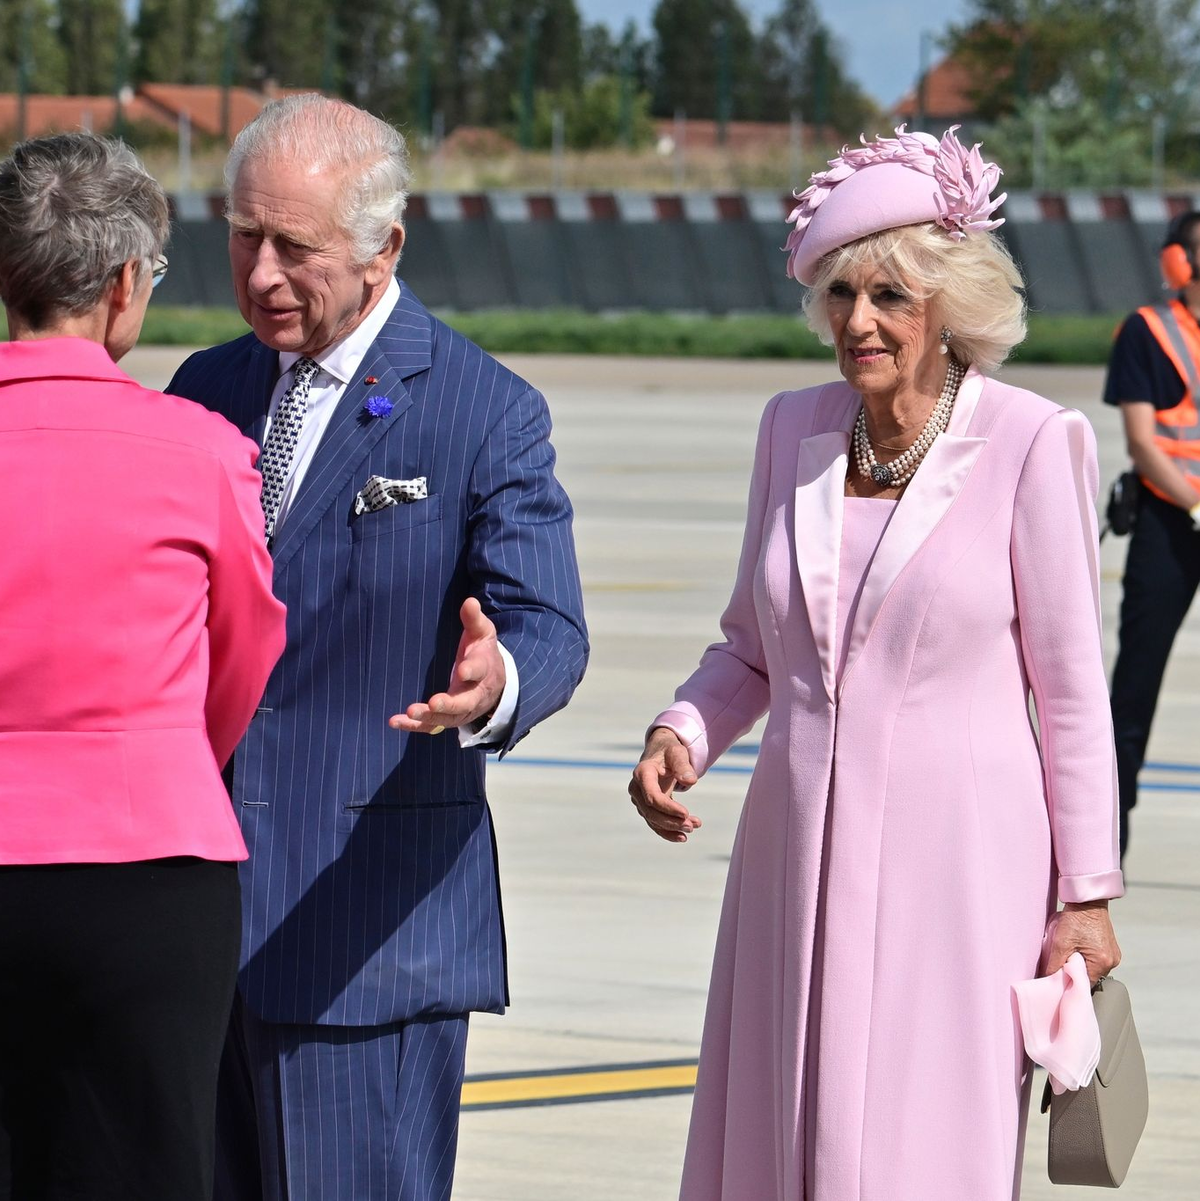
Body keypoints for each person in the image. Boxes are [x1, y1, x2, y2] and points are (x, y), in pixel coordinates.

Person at [628, 127, 1123, 1200]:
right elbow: (753, 647)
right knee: (781, 1119)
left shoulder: (1036, 442)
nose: (859, 321)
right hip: (792, 846)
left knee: (918, 1132)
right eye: (843, 294)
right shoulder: (790, 430)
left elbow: (1074, 691)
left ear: (951, 305)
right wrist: (683, 729)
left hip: (960, 863)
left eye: (892, 294)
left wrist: (1086, 894)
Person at [167, 94, 587, 1201]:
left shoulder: (485, 409)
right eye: (242, 234)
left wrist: (495, 686)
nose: (259, 274)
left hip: (366, 935)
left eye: (294, 247)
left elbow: (546, 621)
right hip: (195, 934)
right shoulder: (203, 390)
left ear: (383, 245)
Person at [0, 133, 286, 1200]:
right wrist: (155, 757)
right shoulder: (202, 447)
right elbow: (242, 660)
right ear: (126, 283)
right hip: (148, 869)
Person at [1105, 210, 1200, 859]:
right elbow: (1142, 441)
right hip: (1174, 519)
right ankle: (1105, 839)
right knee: (1134, 686)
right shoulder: (1149, 331)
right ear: (1179, 262)